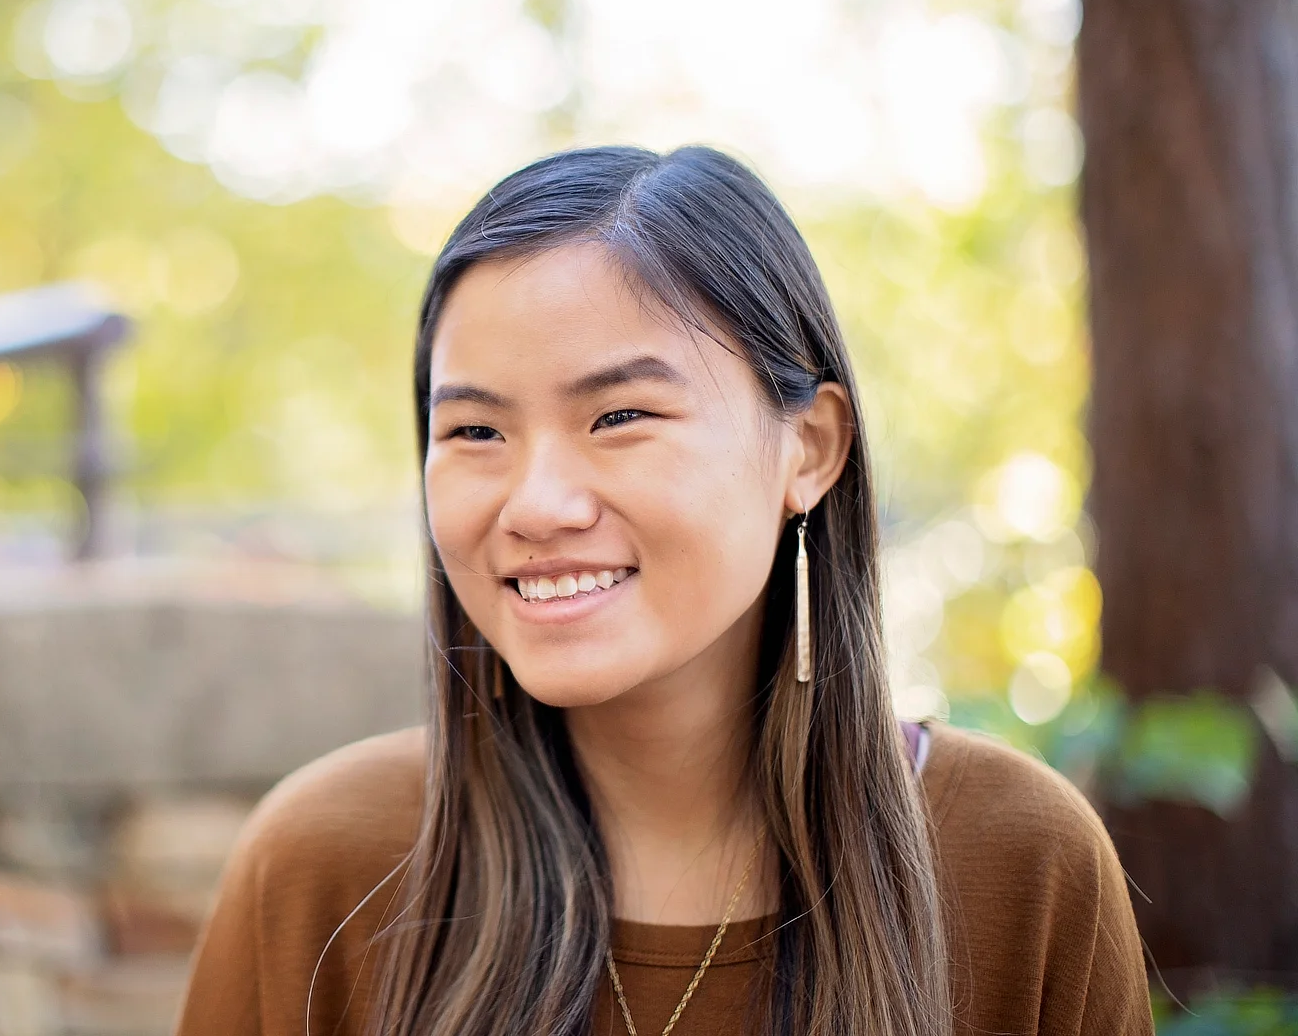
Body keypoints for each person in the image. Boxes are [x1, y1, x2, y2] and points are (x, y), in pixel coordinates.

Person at [174, 145, 1151, 1036]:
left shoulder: (1017, 862)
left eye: (620, 415)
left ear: (808, 448)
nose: (538, 503)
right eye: (476, 432)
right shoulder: (326, 867)